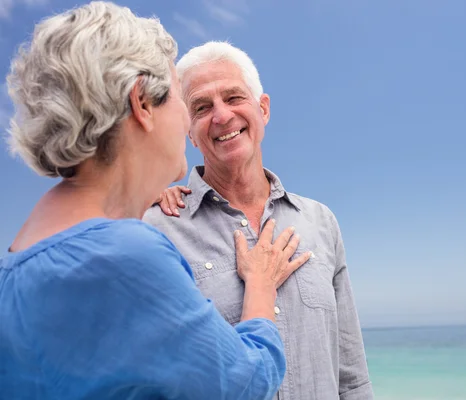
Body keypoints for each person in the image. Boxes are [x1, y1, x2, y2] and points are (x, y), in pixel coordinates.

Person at [0, 3, 311, 399]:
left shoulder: (17, 260)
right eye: (185, 101)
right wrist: (262, 286)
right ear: (142, 104)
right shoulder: (127, 255)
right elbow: (246, 384)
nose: (187, 124)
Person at [144, 41, 374, 399]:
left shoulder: (320, 222)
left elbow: (352, 379)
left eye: (234, 98)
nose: (221, 116)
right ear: (188, 131)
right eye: (202, 107)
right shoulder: (157, 228)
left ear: (262, 109)